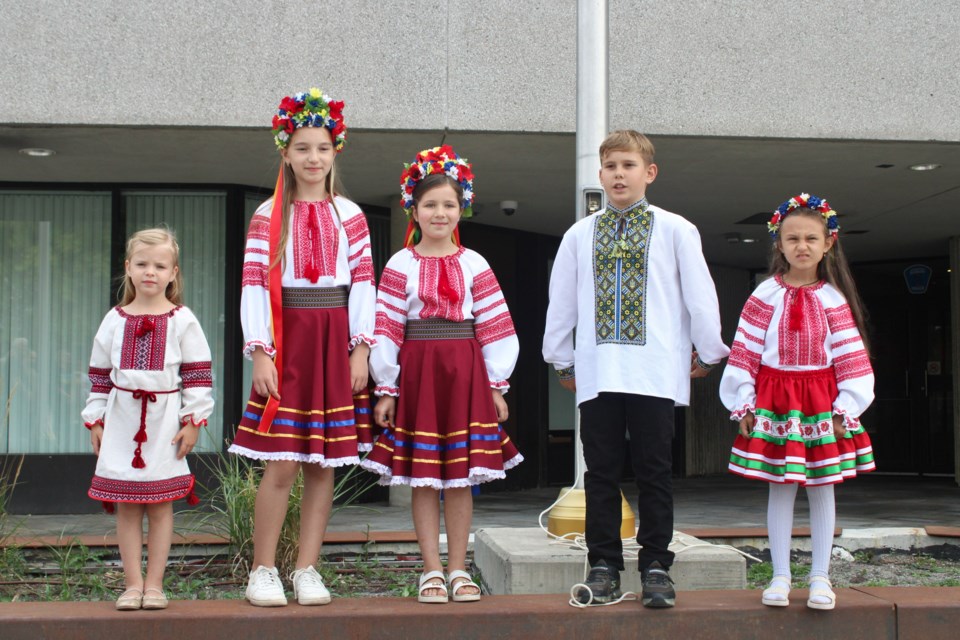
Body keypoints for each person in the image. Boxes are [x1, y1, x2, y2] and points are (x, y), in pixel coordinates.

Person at [543, 130, 729, 608]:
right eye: (610, 166)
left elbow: (700, 296)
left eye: (628, 165)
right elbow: (561, 302)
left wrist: (709, 351)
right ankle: (603, 566)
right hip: (599, 370)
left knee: (655, 473)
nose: (619, 174)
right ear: (600, 174)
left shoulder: (675, 229)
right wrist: (562, 357)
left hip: (654, 371)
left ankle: (655, 568)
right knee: (600, 473)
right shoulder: (579, 234)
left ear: (649, 173)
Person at [228, 88, 377, 607]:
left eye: (322, 147)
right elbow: (253, 286)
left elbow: (364, 285)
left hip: (334, 339)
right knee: (282, 462)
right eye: (302, 148)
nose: (313, 157)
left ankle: (307, 568)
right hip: (288, 341)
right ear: (285, 153)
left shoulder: (351, 215)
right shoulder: (268, 215)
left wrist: (361, 350)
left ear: (336, 151)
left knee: (323, 464)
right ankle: (263, 568)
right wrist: (261, 351)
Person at [361, 146, 522, 604]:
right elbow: (387, 325)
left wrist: (496, 384)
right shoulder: (400, 264)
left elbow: (495, 324)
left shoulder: (476, 264)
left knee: (461, 476)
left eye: (449, 204)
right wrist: (386, 387)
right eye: (429, 204)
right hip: (418, 373)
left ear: (462, 208)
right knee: (425, 476)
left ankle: (458, 568)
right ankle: (430, 569)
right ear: (413, 208)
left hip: (466, 372)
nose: (439, 212)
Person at [720, 193, 875, 610]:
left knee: (823, 485)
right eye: (792, 239)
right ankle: (781, 576)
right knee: (780, 488)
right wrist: (744, 402)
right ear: (779, 244)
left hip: (821, 400)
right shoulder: (764, 294)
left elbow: (850, 357)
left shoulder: (833, 299)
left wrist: (847, 407)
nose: (801, 246)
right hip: (775, 399)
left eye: (810, 238)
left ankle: (821, 577)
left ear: (828, 244)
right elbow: (745, 351)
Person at [82, 228, 214, 611]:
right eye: (142, 264)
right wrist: (96, 419)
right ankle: (132, 584)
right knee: (127, 505)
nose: (150, 272)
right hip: (122, 420)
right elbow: (99, 375)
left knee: (159, 506)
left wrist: (193, 420)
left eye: (159, 265)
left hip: (164, 423)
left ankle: (155, 584)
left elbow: (198, 374)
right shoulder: (114, 319)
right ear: (128, 268)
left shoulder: (182, 319)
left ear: (174, 272)